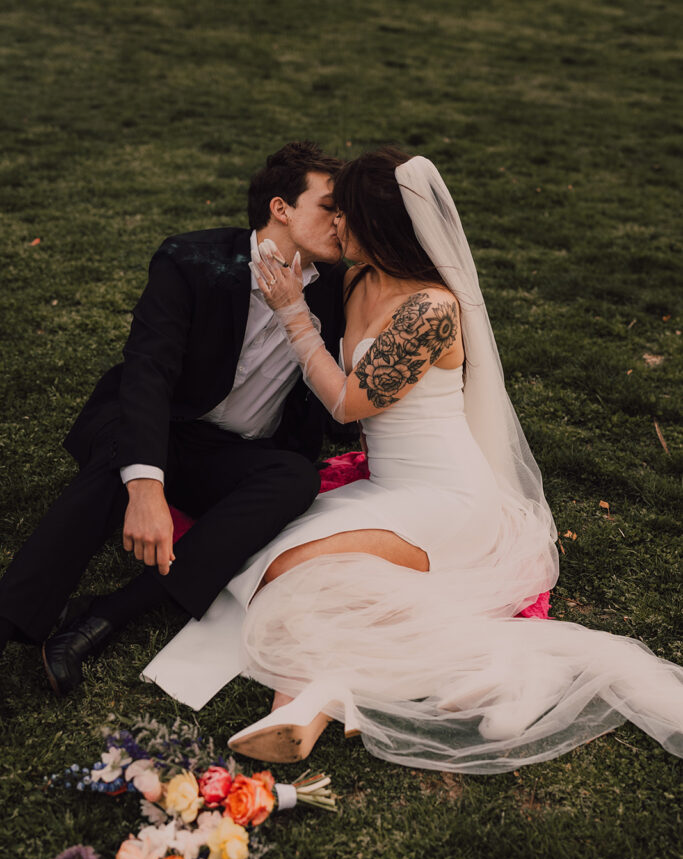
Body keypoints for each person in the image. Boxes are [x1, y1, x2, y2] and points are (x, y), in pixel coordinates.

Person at [148, 148, 683, 774]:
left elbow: (348, 404)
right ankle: (313, 699)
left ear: (377, 224)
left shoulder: (431, 309)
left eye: (344, 214)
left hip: (449, 498)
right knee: (271, 570)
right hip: (387, 488)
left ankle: (322, 696)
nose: (335, 224)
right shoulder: (358, 278)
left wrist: (293, 314)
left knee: (297, 572)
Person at [0, 141, 347, 696]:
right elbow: (147, 374)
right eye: (330, 207)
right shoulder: (190, 260)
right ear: (281, 208)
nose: (342, 222)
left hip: (233, 454)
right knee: (119, 459)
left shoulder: (338, 287)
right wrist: (144, 485)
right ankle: (10, 621)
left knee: (295, 478)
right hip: (154, 422)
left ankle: (107, 616)